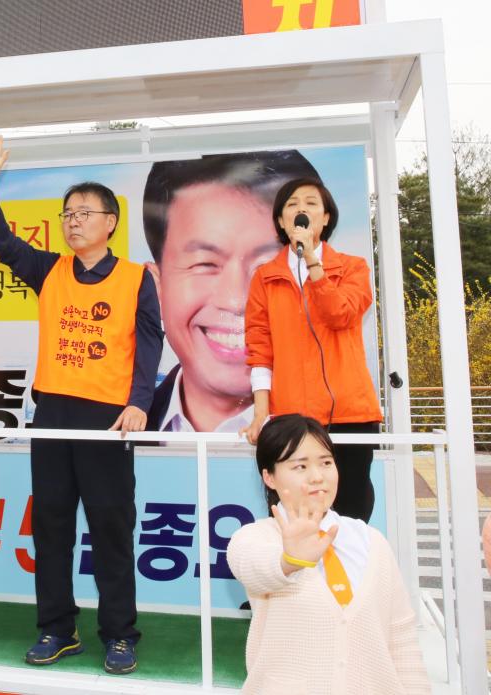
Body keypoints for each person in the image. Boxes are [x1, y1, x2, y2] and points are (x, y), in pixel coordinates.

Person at [0, 134, 162, 674]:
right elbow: (4, 244)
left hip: (108, 420)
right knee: (51, 527)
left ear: (111, 223)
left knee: (110, 528)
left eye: (84, 213)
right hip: (52, 416)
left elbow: (150, 345)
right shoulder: (50, 270)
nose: (73, 222)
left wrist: (139, 403)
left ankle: (120, 634)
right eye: (67, 214)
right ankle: (57, 629)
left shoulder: (135, 279)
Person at [226, 414, 428, 694]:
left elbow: (401, 637)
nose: (317, 476)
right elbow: (253, 567)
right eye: (300, 466)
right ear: (269, 477)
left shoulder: (371, 540)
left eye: (326, 462)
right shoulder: (255, 538)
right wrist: (289, 562)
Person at [141, 151, 320, 435]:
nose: (237, 300)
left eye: (266, 266)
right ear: (157, 286)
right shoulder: (129, 425)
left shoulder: (330, 430)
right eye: (205, 264)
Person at [242, 177, 382, 522]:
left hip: (348, 414)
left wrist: (314, 264)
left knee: (348, 514)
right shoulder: (265, 277)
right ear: (280, 221)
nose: (300, 210)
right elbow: (259, 347)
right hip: (290, 417)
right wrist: (261, 413)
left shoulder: (352, 268)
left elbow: (340, 314)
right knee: (294, 514)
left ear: (326, 217)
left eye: (310, 203)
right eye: (291, 204)